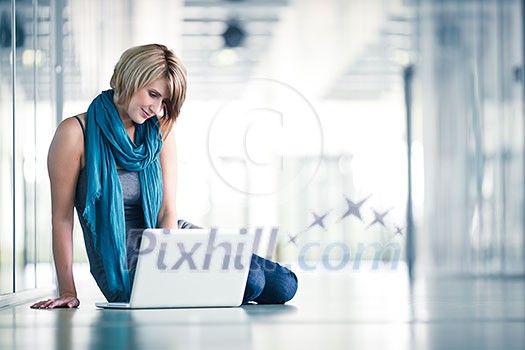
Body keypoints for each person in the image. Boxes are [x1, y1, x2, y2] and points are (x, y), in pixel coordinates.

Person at [30, 44, 298, 309]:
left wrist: (168, 263)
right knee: (250, 281)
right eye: (153, 94)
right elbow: (62, 218)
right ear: (130, 78)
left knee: (285, 285)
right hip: (122, 261)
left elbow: (167, 210)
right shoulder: (74, 133)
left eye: (164, 102)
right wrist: (67, 290)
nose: (156, 108)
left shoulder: (158, 132)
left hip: (168, 241)